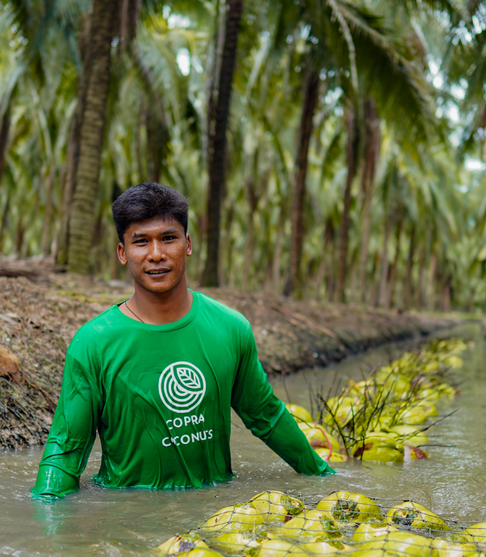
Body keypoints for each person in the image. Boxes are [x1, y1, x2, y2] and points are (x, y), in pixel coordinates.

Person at [31, 183, 334, 500]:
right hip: (127, 516)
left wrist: (324, 477)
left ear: (187, 244)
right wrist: (49, 518)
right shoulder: (93, 343)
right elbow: (67, 449)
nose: (156, 254)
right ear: (122, 252)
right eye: (141, 242)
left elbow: (267, 416)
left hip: (215, 515)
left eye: (168, 238)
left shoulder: (231, 329)